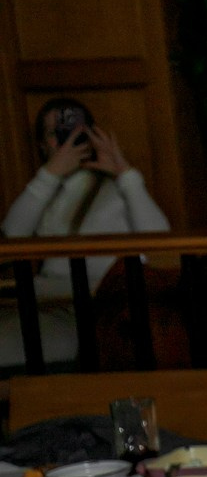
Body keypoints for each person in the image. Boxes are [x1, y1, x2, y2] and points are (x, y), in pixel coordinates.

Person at [0, 98, 171, 367]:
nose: (65, 139)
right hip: (43, 307)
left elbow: (163, 246)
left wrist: (125, 174)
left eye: (73, 130)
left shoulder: (118, 190)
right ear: (42, 146)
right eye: (55, 133)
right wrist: (49, 176)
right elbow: (10, 239)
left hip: (96, 311)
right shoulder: (44, 191)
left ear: (91, 135)